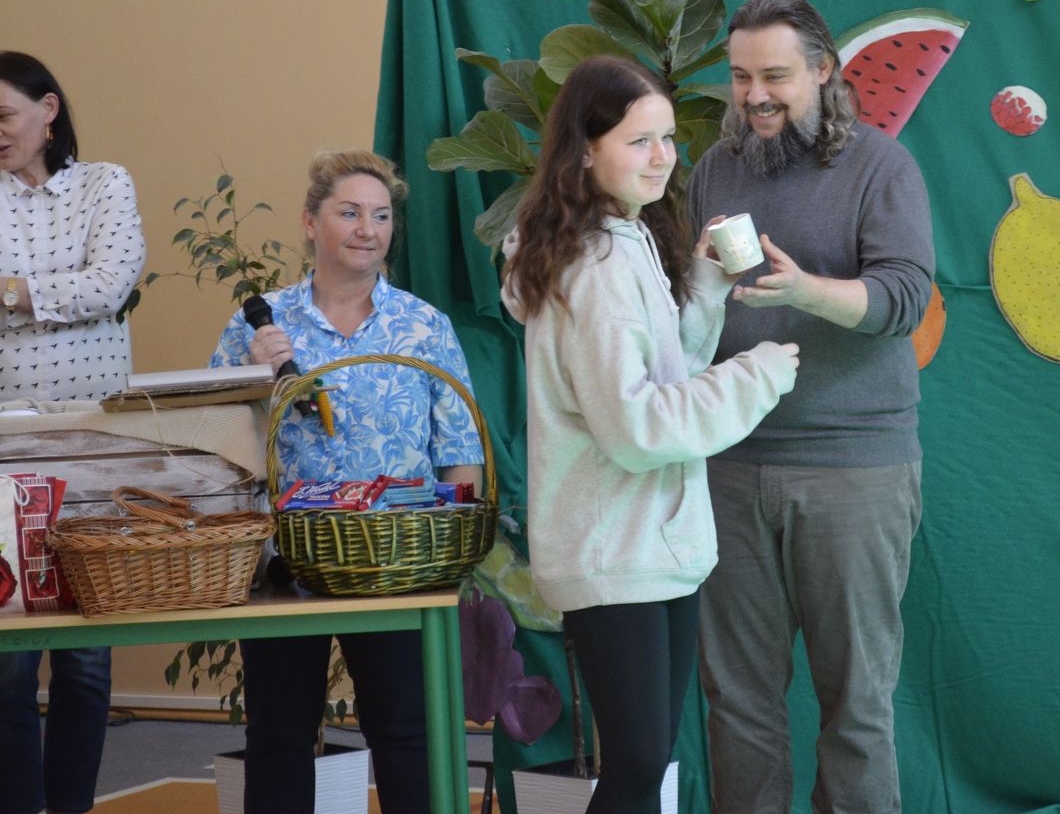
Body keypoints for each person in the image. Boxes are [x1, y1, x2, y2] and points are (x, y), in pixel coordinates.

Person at [501, 55, 799, 814]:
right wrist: (756, 375)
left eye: (667, 138)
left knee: (643, 765)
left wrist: (705, 288)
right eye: (639, 141)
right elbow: (636, 427)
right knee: (636, 769)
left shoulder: (621, 239)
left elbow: (659, 376)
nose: (662, 157)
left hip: (647, 549)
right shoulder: (598, 263)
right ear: (585, 150)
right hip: (618, 550)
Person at [686, 0, 935, 814]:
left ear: (823, 71)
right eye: (740, 77)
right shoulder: (714, 170)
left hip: (852, 467)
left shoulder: (881, 168)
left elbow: (903, 298)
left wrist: (804, 291)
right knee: (736, 701)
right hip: (728, 466)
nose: (754, 95)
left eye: (775, 77)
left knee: (855, 702)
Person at [208, 149, 483, 814]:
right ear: (310, 222)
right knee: (278, 735)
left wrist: (450, 559)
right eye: (350, 212)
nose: (368, 229)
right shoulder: (260, 324)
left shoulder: (423, 326)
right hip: (286, 564)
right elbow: (214, 447)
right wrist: (253, 377)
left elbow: (460, 450)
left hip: (399, 561)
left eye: (381, 216)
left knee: (407, 732)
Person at [0, 49, 145, 814]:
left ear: (48, 111)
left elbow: (111, 284)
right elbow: (83, 288)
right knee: (8, 660)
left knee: (86, 657)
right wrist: (57, 293)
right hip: (6, 447)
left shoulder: (104, 184)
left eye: (4, 116)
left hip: (95, 443)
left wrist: (12, 294)